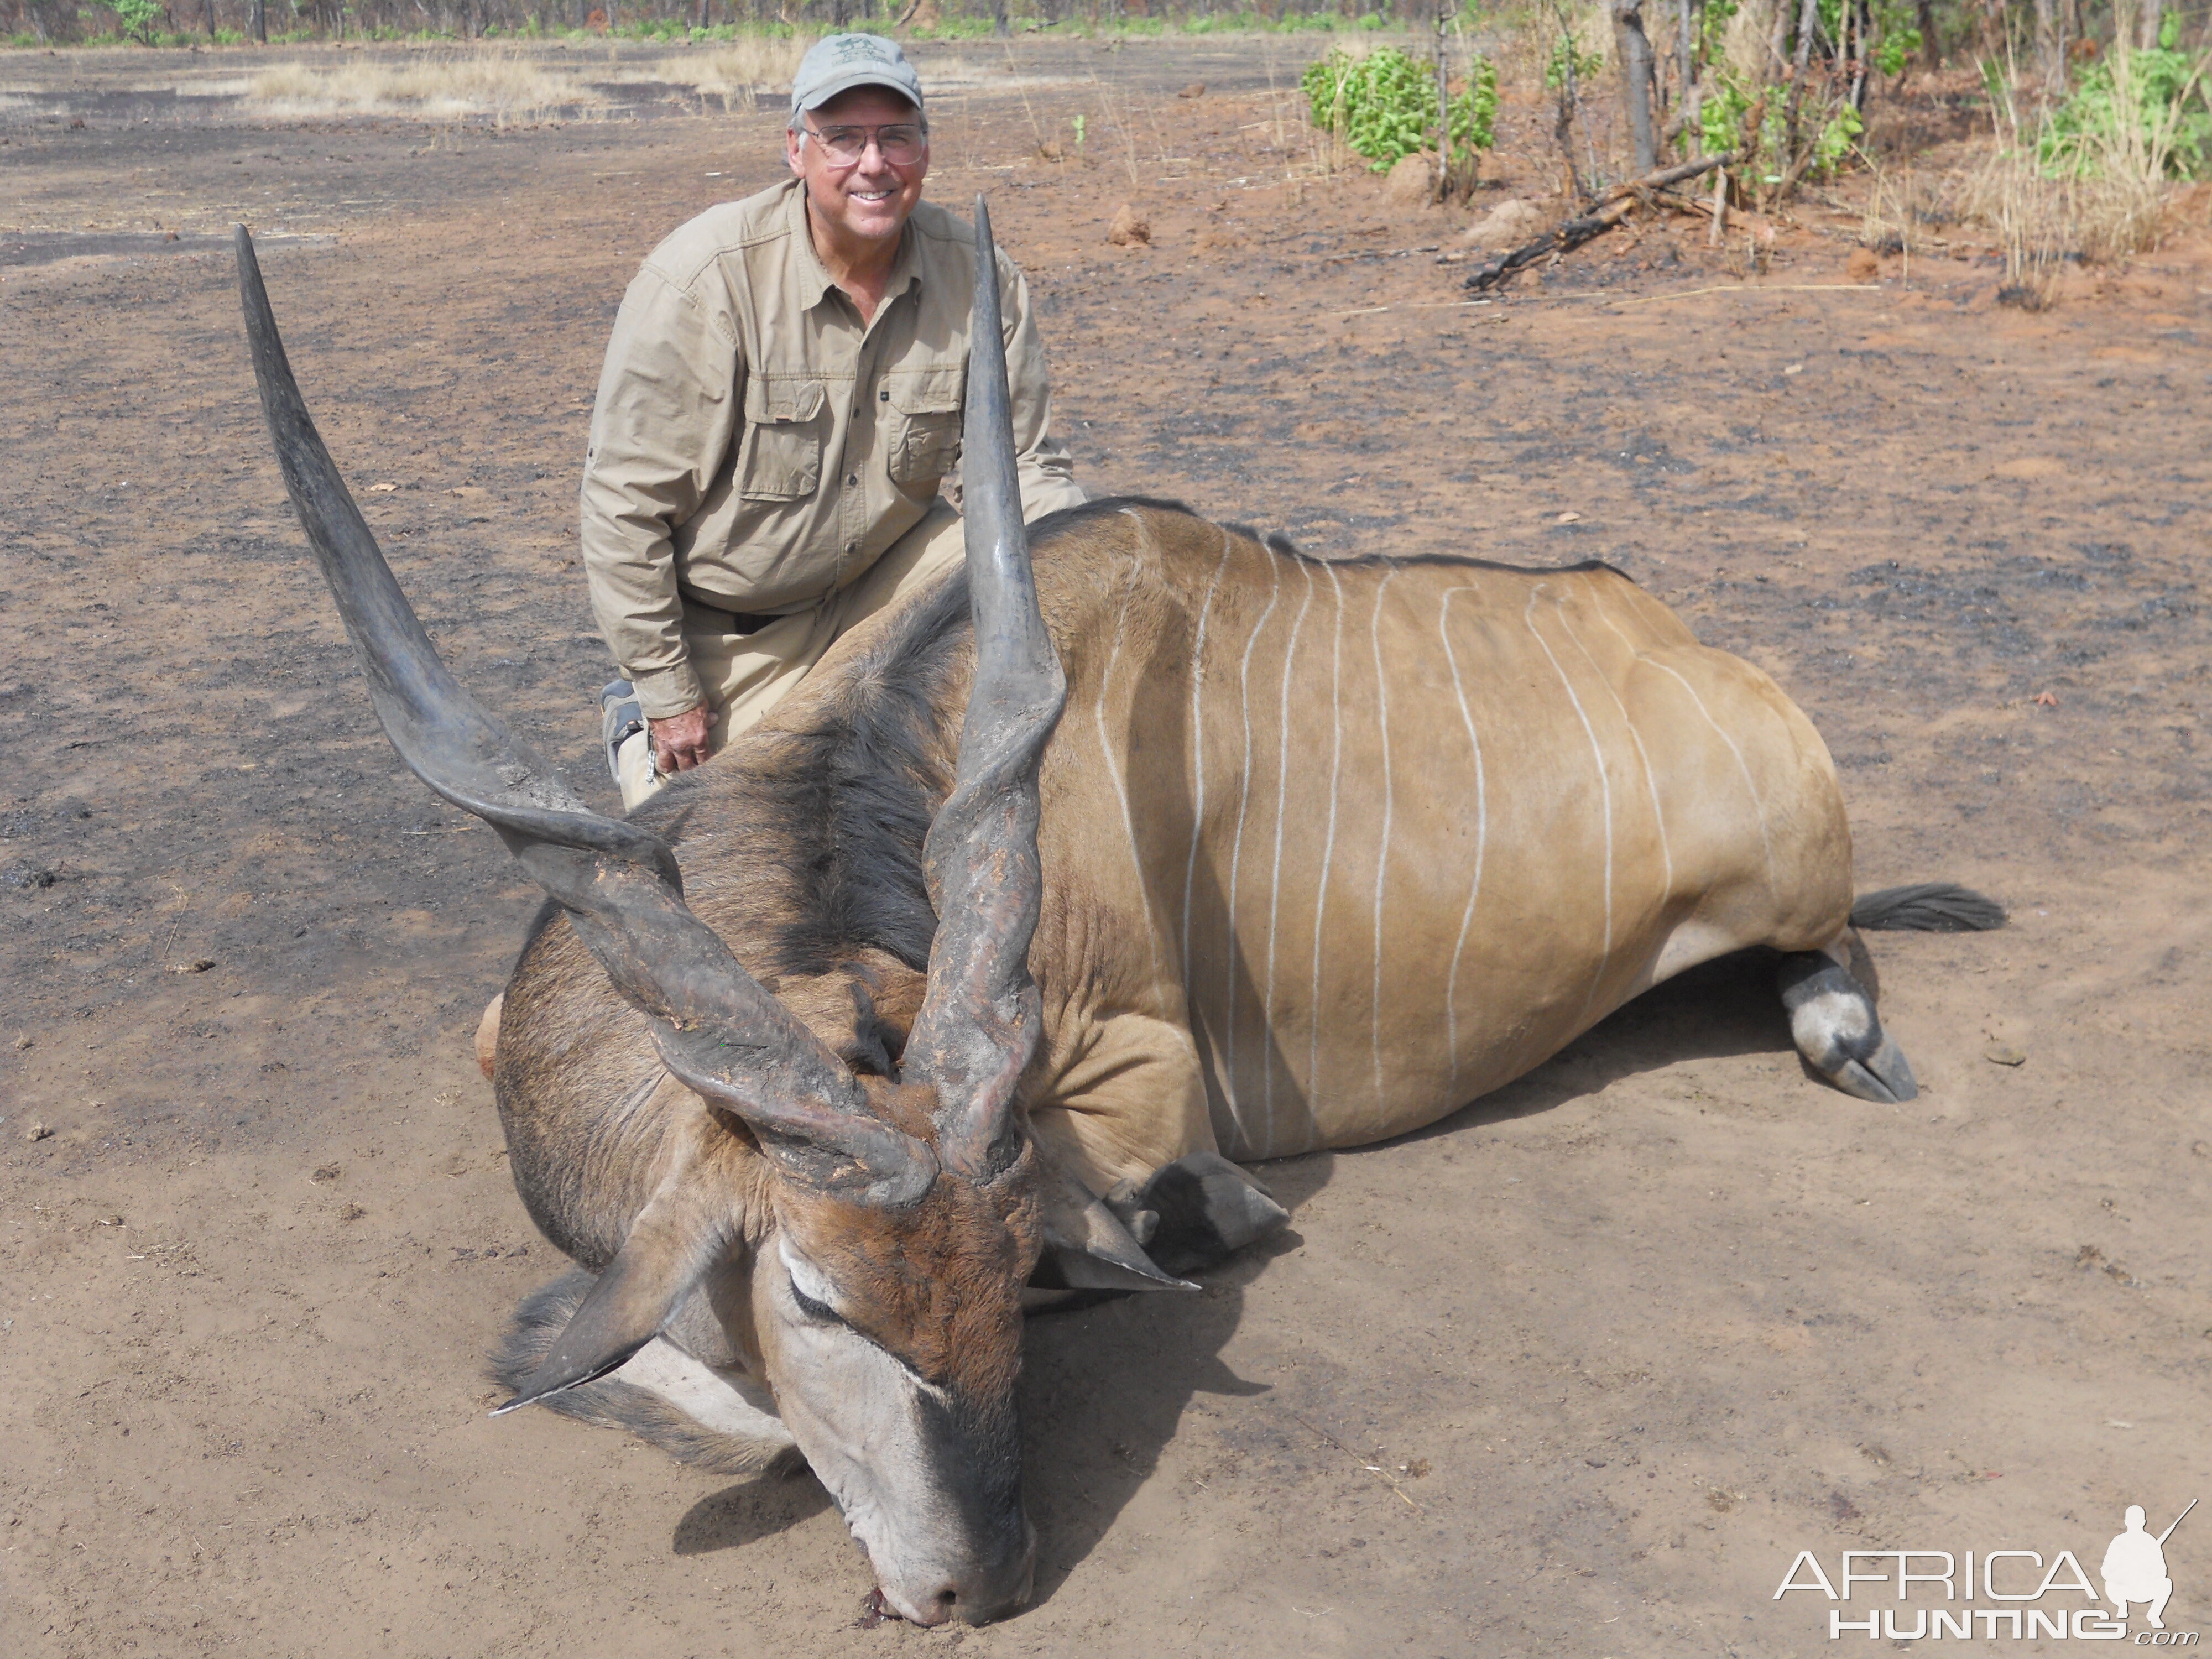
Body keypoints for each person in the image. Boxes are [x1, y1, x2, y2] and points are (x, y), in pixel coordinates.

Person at [581, 33, 1085, 810]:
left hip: (890, 582)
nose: (873, 164)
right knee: (728, 859)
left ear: (926, 148)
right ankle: (639, 726)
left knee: (1052, 627)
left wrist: (1104, 559)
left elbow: (1027, 472)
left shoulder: (981, 275)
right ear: (796, 150)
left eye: (895, 136)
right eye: (843, 138)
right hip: (737, 626)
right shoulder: (704, 281)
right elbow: (623, 510)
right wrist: (667, 690)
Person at [2101, 1504, 2174, 1629]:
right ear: (2126, 1522)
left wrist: (2149, 1571)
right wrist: (2122, 1572)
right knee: (2109, 1583)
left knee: (2166, 1583)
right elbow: (2105, 1571)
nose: (2135, 1523)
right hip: (2123, 1590)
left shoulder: (2151, 1542)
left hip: (2144, 1589)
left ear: (2144, 1522)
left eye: (2138, 1521)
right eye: (2132, 1521)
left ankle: (2154, 1615)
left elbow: (2162, 1570)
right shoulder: (2118, 1542)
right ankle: (2122, 1606)